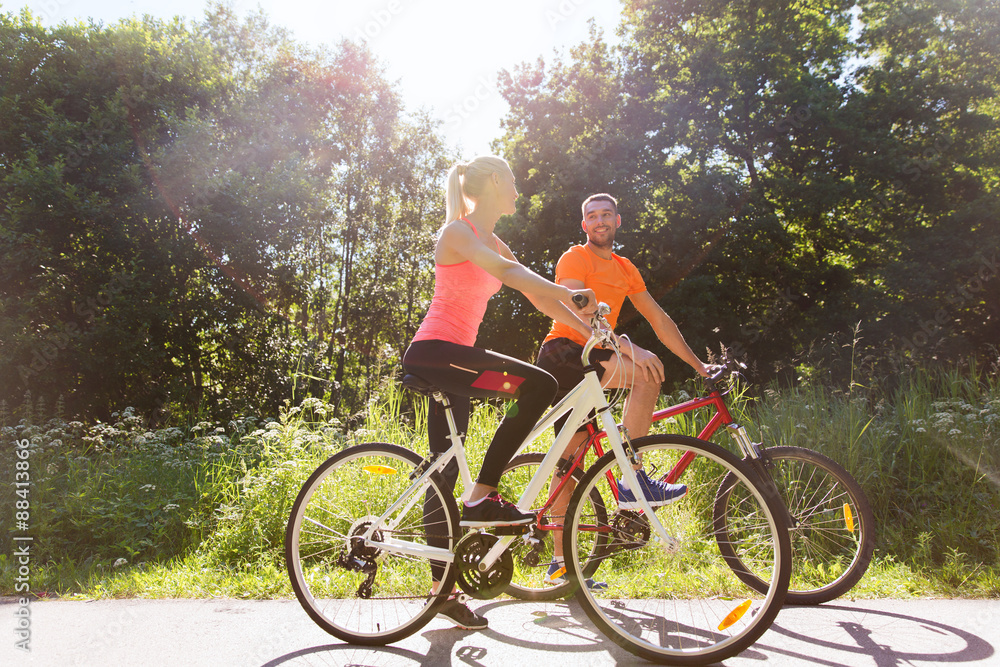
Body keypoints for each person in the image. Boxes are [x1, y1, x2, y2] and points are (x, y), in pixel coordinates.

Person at [401, 156, 596, 629]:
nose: (517, 190)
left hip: (454, 361)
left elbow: (535, 294)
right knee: (540, 384)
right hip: (435, 353)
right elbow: (509, 275)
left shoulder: (494, 239)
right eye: (512, 181)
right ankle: (483, 496)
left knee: (442, 470)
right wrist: (573, 294)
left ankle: (439, 590)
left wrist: (587, 330)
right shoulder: (458, 234)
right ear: (493, 182)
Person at [535, 192, 712, 588]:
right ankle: (632, 481)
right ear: (584, 225)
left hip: (595, 353)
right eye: (591, 215)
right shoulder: (574, 258)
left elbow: (659, 319)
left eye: (606, 215)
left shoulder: (625, 267)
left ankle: (559, 567)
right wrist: (631, 347)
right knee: (646, 374)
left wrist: (699, 365)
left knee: (571, 462)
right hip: (566, 351)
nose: (599, 221)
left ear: (618, 221)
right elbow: (579, 309)